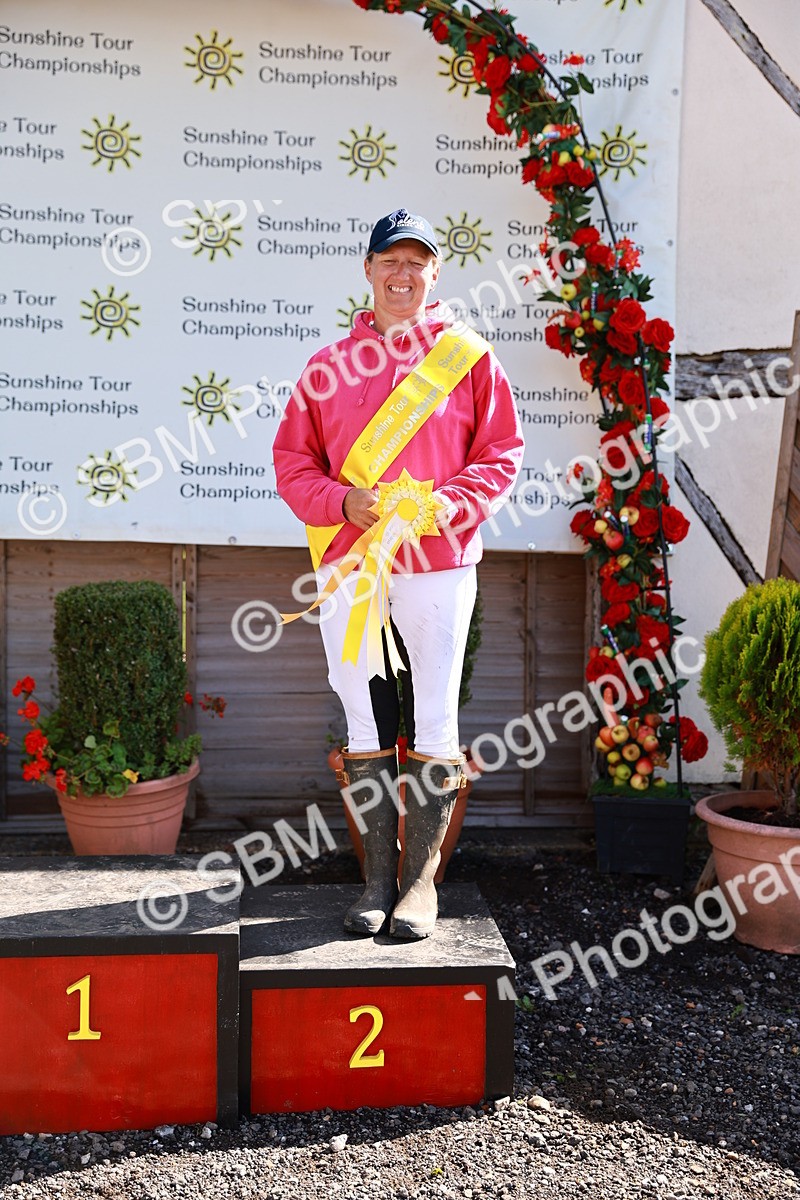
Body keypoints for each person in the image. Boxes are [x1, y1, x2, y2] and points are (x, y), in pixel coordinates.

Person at [273, 207, 523, 939]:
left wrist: (447, 504)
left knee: (437, 713)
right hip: (351, 559)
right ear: (369, 269)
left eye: (417, 261)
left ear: (435, 273)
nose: (403, 274)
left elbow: (501, 454)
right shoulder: (325, 366)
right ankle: (374, 882)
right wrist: (343, 499)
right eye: (391, 260)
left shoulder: (469, 358)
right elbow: (293, 463)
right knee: (360, 711)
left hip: (438, 561)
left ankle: (421, 886)